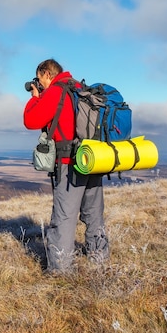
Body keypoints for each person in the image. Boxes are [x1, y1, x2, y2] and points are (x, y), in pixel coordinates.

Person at [23, 58, 109, 272]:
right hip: (93, 160)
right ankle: (99, 258)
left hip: (69, 164)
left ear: (47, 74)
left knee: (64, 217)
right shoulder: (79, 88)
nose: (39, 84)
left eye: (40, 79)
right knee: (93, 213)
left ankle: (61, 270)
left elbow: (31, 120)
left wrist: (35, 98)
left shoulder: (55, 92)